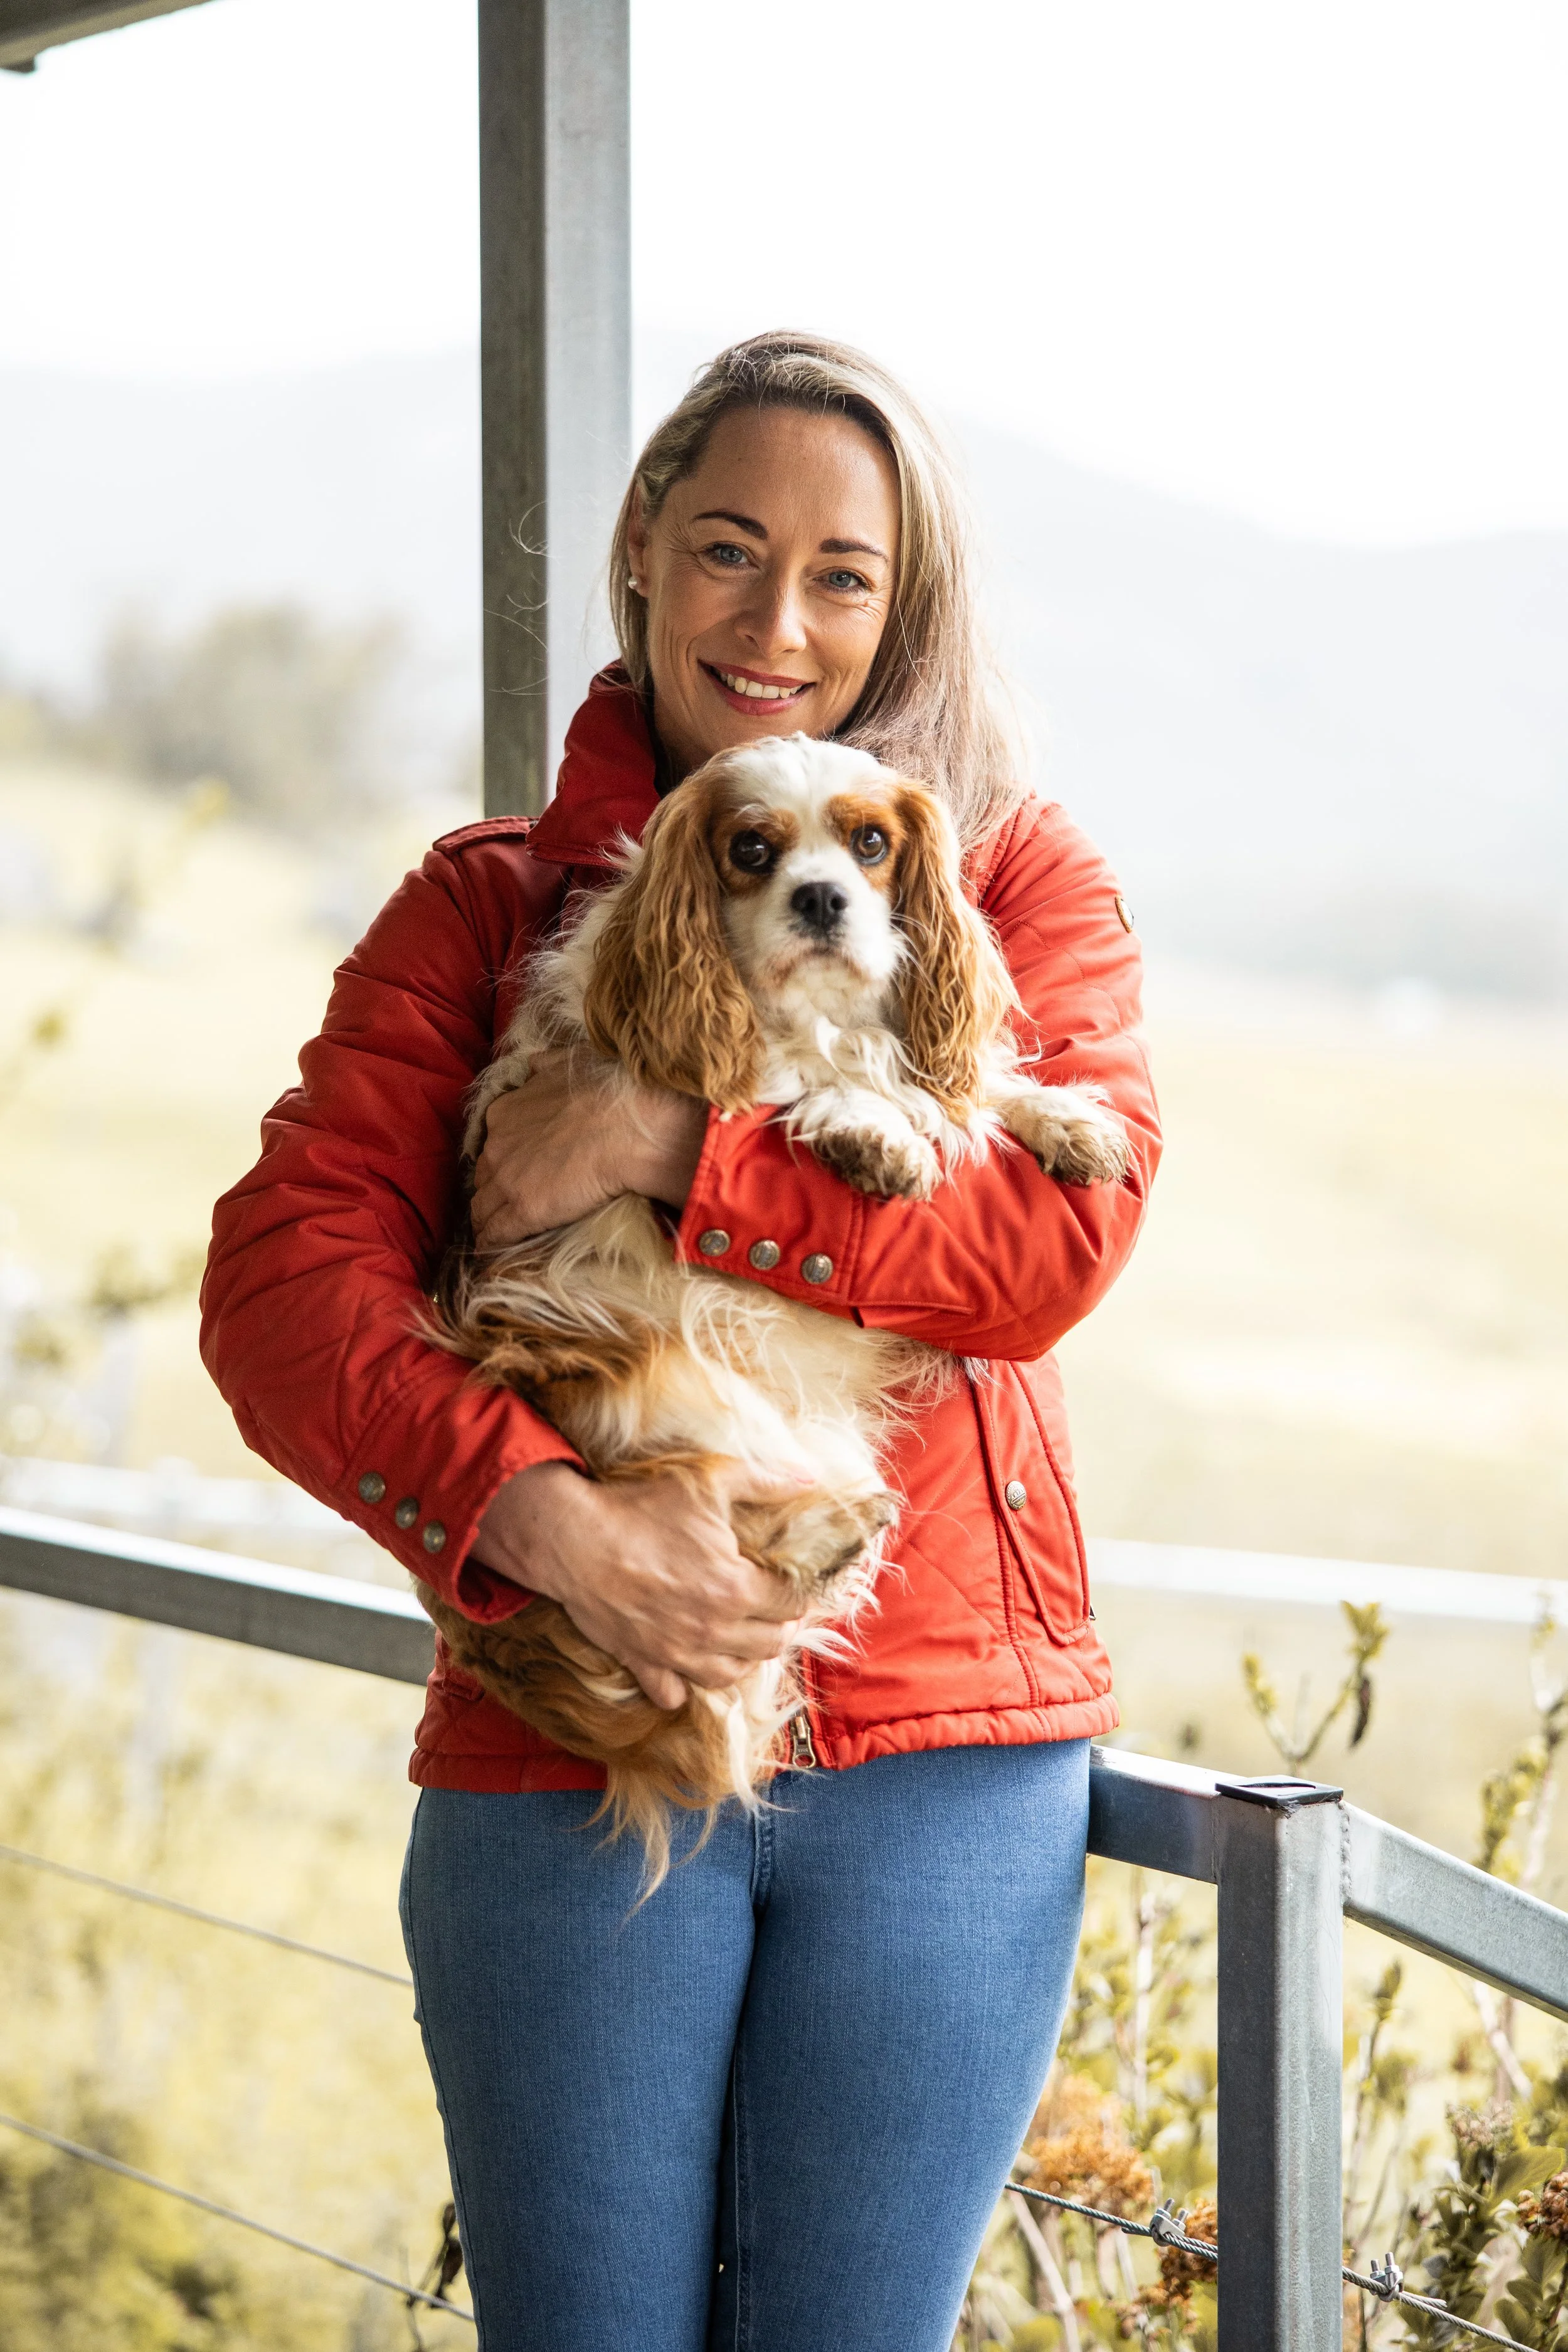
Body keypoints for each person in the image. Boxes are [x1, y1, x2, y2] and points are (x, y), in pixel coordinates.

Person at [201, 331, 1160, 2352]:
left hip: (943, 1765)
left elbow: (1048, 1240)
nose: (778, 622)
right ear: (639, 546)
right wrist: (537, 1515)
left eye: (843, 577)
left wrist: (670, 1137)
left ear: (903, 607)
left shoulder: (1006, 876)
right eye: (728, 550)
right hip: (567, 1731)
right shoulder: (480, 914)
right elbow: (284, 1281)